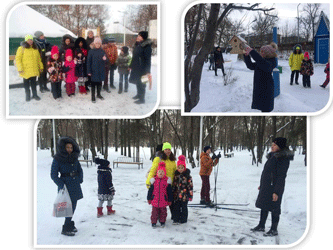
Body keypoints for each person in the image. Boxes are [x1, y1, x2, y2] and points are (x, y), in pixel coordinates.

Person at [251, 137, 293, 237]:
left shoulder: (282, 158)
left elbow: (281, 177)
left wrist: (276, 192)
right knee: (264, 205)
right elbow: (267, 172)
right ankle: (261, 225)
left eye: (275, 145)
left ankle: (274, 229)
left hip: (274, 187)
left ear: (280, 147)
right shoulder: (273, 156)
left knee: (274, 208)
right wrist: (262, 185)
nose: (272, 146)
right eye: (272, 144)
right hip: (267, 186)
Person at [50, 137, 83, 236]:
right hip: (65, 185)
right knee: (67, 207)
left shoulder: (74, 157)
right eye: (67, 147)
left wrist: (80, 179)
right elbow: (53, 175)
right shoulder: (58, 159)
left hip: (75, 184)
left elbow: (79, 169)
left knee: (73, 205)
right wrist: (62, 185)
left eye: (71, 147)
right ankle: (66, 227)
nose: (69, 149)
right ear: (63, 148)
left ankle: (69, 223)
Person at [242, 42, 277, 112]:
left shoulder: (271, 62)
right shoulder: (262, 61)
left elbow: (261, 61)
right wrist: (246, 56)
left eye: (262, 52)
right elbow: (251, 66)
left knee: (266, 109)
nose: (261, 54)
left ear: (267, 53)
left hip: (267, 91)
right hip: (260, 89)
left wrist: (251, 51)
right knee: (262, 109)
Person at [15, 34, 43, 102]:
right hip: (25, 70)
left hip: (34, 70)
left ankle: (35, 95)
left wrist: (41, 67)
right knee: (26, 84)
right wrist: (20, 68)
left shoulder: (35, 48)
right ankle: (27, 95)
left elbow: (38, 59)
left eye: (31, 40)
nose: (30, 41)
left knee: (34, 83)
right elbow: (18, 59)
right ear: (26, 40)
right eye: (29, 40)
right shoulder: (21, 48)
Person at [129, 31, 153, 104]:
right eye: (138, 35)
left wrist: (148, 71)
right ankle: (138, 95)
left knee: (142, 84)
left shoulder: (147, 46)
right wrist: (131, 66)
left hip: (143, 69)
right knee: (137, 82)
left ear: (143, 37)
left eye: (140, 36)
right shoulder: (138, 44)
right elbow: (134, 57)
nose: (138, 37)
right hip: (136, 68)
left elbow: (148, 60)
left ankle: (142, 99)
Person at [147, 162, 173, 228]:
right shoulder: (154, 181)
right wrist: (149, 198)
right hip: (155, 200)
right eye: (159, 172)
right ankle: (153, 222)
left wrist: (170, 200)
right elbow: (150, 191)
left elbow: (169, 192)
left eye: (162, 172)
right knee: (154, 213)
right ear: (157, 173)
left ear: (164, 173)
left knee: (163, 212)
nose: (161, 173)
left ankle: (162, 221)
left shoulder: (167, 182)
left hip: (163, 200)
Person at [172, 155, 193, 225]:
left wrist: (190, 195)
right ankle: (176, 218)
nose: (180, 169)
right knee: (176, 207)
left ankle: (183, 219)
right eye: (179, 167)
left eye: (182, 168)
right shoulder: (176, 176)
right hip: (177, 195)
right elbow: (174, 185)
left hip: (184, 196)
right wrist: (172, 192)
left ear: (184, 167)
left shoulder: (187, 176)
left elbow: (190, 186)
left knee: (184, 207)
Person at [87, 37, 108, 103]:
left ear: (100, 44)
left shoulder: (102, 51)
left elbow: (106, 60)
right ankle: (93, 97)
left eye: (99, 43)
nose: (98, 45)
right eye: (96, 43)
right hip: (93, 71)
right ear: (94, 44)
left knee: (99, 84)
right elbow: (88, 62)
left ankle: (98, 94)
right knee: (93, 85)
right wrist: (89, 71)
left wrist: (105, 59)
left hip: (100, 70)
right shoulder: (91, 51)